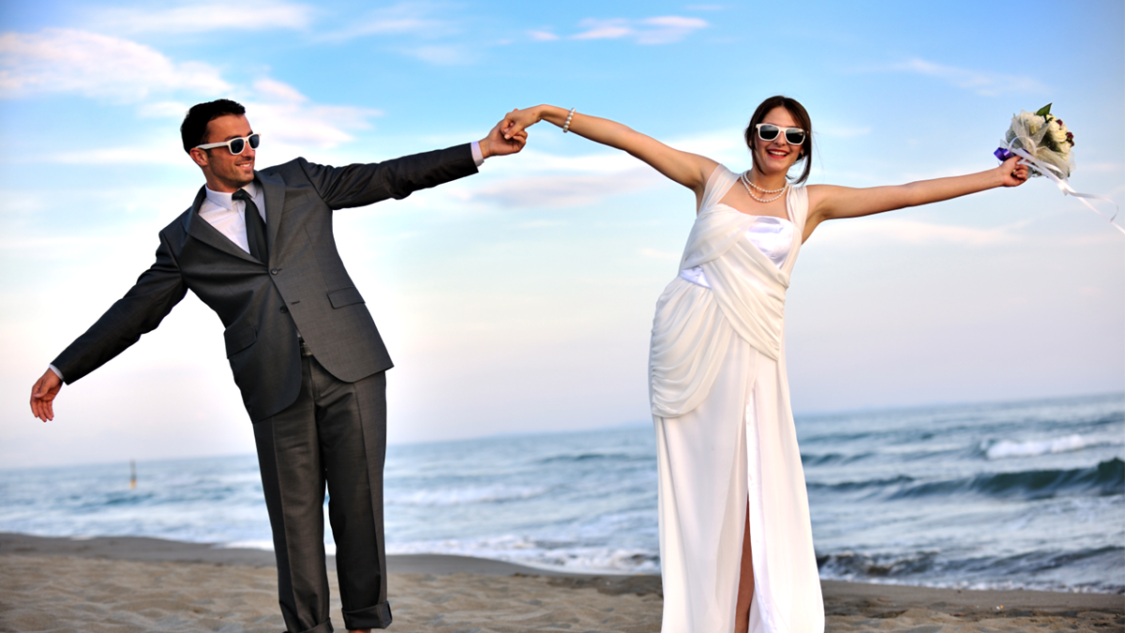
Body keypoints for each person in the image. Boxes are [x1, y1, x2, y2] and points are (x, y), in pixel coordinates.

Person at [501, 97, 1028, 633]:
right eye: (771, 130)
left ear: (803, 149)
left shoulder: (810, 204)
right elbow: (633, 141)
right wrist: (547, 114)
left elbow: (906, 193)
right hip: (688, 351)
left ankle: (742, 624)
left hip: (753, 354)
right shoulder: (711, 180)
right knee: (706, 500)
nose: (781, 141)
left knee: (755, 498)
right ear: (752, 135)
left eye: (794, 136)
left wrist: (994, 176)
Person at [29, 98, 527, 633]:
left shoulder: (302, 182)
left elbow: (390, 177)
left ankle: (365, 622)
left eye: (252, 140)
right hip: (272, 383)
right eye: (235, 145)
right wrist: (63, 368)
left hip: (350, 364)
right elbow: (135, 313)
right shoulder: (181, 241)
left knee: (360, 507)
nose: (249, 153)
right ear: (200, 155)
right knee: (293, 524)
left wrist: (481, 150)